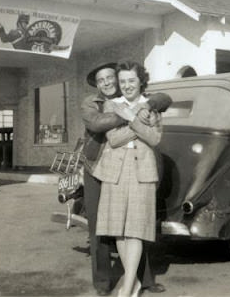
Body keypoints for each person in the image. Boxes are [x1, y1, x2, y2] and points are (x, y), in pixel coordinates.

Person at [81, 61, 170, 296]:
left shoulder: (145, 103)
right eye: (102, 81)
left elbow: (155, 138)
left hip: (140, 170)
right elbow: (113, 137)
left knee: (135, 229)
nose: (110, 83)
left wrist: (137, 114)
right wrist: (137, 119)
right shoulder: (100, 104)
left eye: (113, 78)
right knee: (113, 229)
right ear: (97, 85)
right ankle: (107, 283)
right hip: (103, 168)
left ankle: (130, 284)